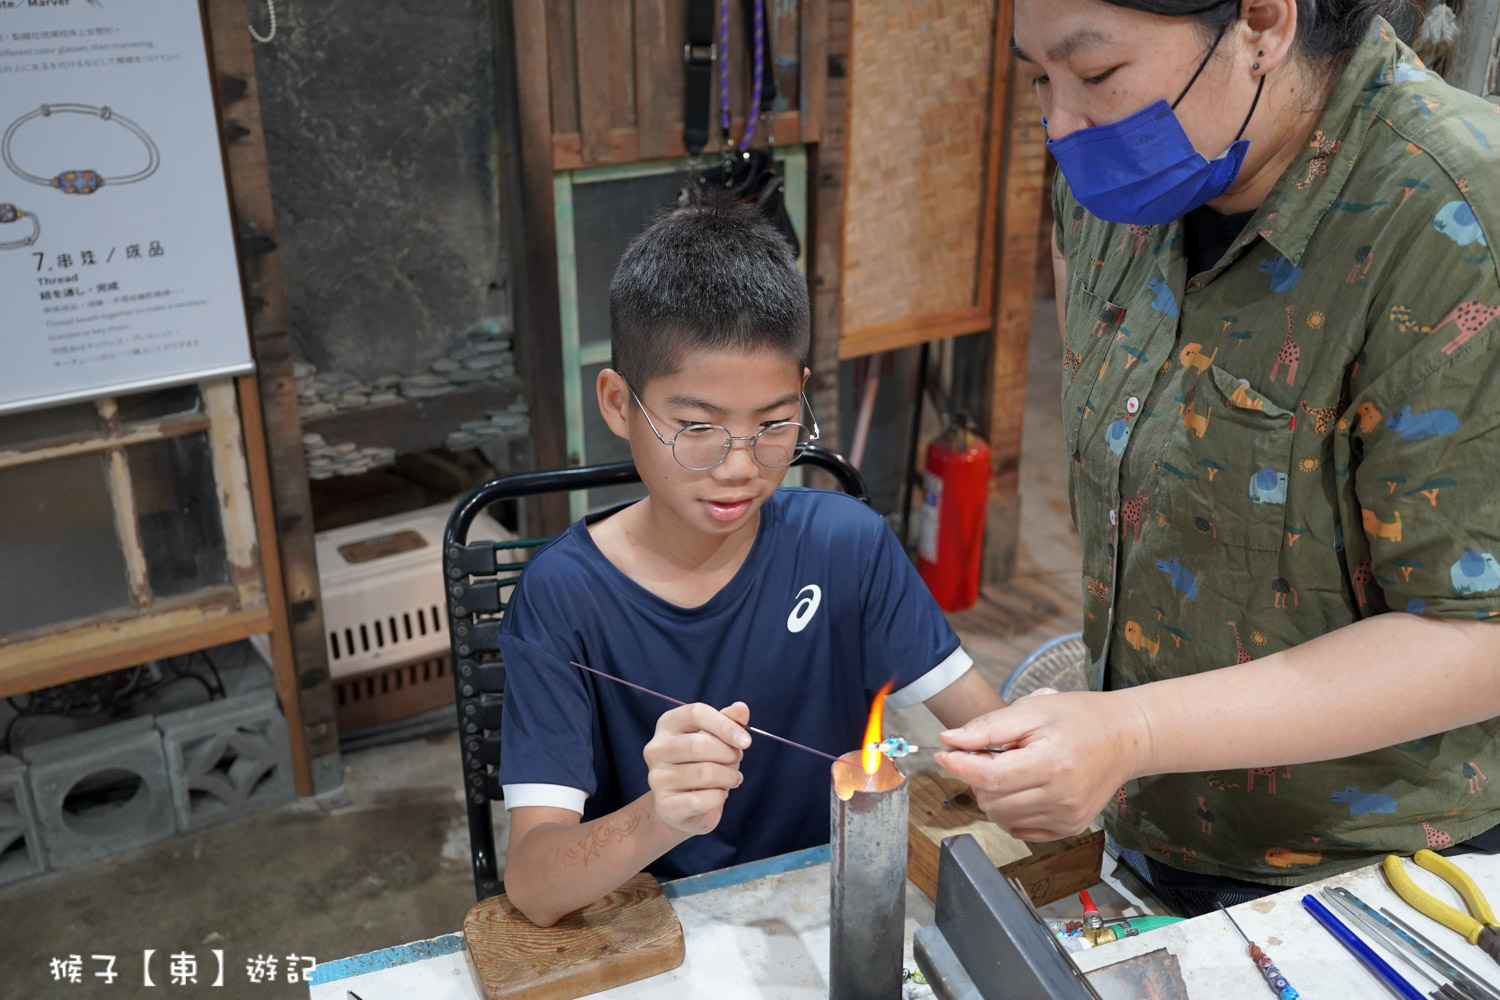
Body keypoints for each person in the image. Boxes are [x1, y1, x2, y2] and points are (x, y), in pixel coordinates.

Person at [939, 0, 1500, 916]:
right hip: (1152, 831)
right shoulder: (1121, 179)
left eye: (1098, 74)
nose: (1063, 125)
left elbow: (1479, 633)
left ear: (1262, 24)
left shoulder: (1459, 215)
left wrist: (1136, 728)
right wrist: (1120, 742)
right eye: (1038, 78)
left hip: (1370, 878)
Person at [497, 194, 1005, 926]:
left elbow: (984, 731)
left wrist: (1035, 754)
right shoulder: (562, 599)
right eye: (696, 427)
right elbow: (534, 886)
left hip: (828, 907)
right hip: (652, 928)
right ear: (617, 403)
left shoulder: (845, 544)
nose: (740, 467)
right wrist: (660, 817)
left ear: (802, 393)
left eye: (773, 424)